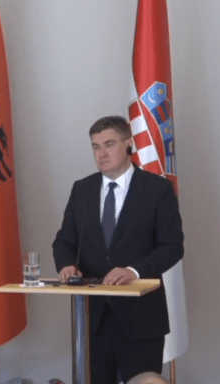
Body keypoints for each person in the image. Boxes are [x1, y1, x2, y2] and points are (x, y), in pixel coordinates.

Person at [52, 116, 184, 384]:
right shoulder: (82, 189)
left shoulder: (157, 189)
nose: (101, 153)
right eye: (95, 146)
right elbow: (64, 241)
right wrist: (66, 263)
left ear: (128, 144)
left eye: (109, 144)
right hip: (92, 319)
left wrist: (134, 271)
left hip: (141, 318)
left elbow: (172, 247)